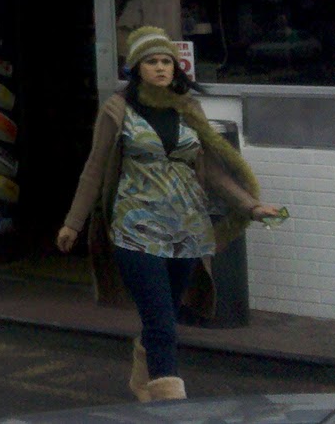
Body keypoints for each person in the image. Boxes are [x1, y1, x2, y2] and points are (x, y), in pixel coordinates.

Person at [56, 27, 285, 402]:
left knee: (165, 317)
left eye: (166, 61)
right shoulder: (118, 110)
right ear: (136, 68)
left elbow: (211, 171)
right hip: (135, 229)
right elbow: (94, 169)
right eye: (151, 62)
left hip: (187, 231)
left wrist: (251, 206)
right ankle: (170, 405)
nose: (161, 68)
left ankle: (142, 377)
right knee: (162, 322)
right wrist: (72, 223)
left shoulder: (187, 108)